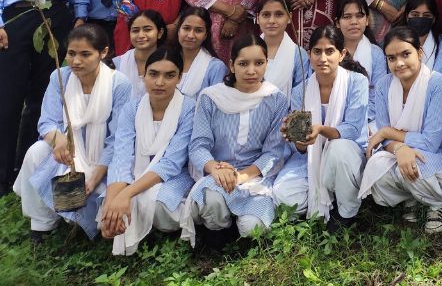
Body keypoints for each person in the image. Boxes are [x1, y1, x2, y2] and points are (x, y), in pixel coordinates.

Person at [0, 0, 90, 195]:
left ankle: (29, 171)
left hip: (56, 14)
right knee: (9, 95)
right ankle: (3, 177)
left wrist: (80, 16)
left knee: (43, 94)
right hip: (18, 14)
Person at [14, 25, 132, 242]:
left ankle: (76, 217)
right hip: (69, 151)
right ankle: (42, 223)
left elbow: (118, 139)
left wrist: (95, 177)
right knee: (36, 152)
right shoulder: (60, 77)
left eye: (85, 54)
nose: (76, 61)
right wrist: (58, 139)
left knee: (96, 207)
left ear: (103, 52)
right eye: (71, 53)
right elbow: (47, 121)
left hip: (105, 160)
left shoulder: (119, 84)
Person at [359, 27, 442, 234]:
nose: (399, 63)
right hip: (404, 152)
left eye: (405, 54)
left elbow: (429, 143)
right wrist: (400, 148)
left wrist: (388, 133)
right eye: (391, 58)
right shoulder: (384, 86)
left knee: (414, 165)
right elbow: (385, 139)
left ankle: (437, 204)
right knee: (376, 166)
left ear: (419, 53)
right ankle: (414, 197)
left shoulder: (439, 86)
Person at [181, 33, 288, 244]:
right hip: (218, 173)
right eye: (243, 64)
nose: (251, 71)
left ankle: (237, 228)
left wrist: (242, 176)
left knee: (253, 229)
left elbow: (273, 152)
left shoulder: (275, 99)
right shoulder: (211, 97)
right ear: (231, 65)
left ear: (267, 64)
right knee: (212, 201)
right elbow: (198, 145)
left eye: (259, 63)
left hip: (256, 176)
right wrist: (216, 169)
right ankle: (218, 235)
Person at [99, 46, 196, 255]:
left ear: (179, 78)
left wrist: (126, 193)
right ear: (144, 75)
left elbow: (171, 163)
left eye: (169, 75)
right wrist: (112, 201)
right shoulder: (132, 109)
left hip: (177, 175)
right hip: (137, 172)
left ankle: (172, 230)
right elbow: (121, 156)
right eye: (153, 74)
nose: (160, 82)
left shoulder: (189, 109)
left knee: (156, 203)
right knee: (107, 203)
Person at [271, 26, 370, 228]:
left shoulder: (356, 81)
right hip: (311, 157)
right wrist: (297, 139)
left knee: (338, 149)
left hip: (348, 155)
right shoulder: (300, 91)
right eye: (317, 51)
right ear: (309, 55)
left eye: (329, 51)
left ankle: (346, 211)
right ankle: (324, 198)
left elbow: (352, 129)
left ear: (342, 54)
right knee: (283, 195)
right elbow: (300, 149)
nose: (323, 58)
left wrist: (321, 130)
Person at [257, 0, 310, 101]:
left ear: (289, 17)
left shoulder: (298, 55)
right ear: (258, 18)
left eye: (279, 14)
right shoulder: (246, 50)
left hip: (286, 111)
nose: (272, 21)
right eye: (266, 15)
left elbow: (300, 96)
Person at [173, 7, 228, 99]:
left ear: (206, 35)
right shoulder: (165, 60)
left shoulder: (216, 68)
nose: (191, 35)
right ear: (178, 30)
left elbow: (216, 104)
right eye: (186, 28)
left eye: (198, 30)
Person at [112, 10, 168, 98]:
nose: (141, 35)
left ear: (160, 33)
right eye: (135, 31)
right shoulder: (119, 63)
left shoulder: (170, 62)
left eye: (147, 30)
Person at [335, 0, 386, 82]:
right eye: (347, 17)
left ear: (367, 20)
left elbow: (379, 88)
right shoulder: (328, 51)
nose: (354, 22)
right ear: (337, 23)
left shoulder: (376, 54)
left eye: (359, 16)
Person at [403, 0, 442, 80]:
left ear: (433, 19)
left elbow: (440, 79)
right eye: (415, 15)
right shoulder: (396, 42)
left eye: (426, 15)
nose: (420, 18)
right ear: (407, 17)